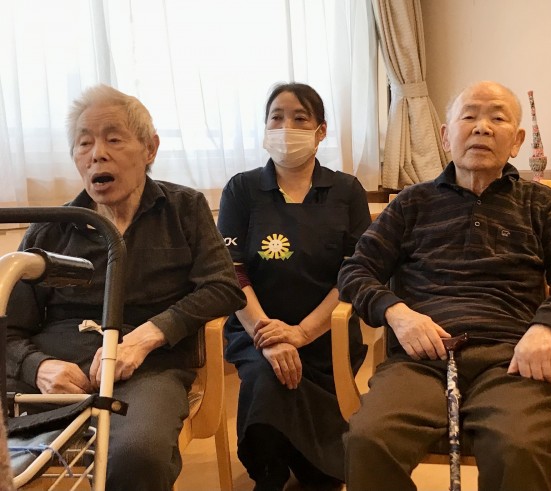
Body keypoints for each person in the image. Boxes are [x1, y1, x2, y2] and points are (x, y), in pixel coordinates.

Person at [337, 80, 551, 491]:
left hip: (513, 357)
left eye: (497, 118)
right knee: (369, 440)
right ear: (446, 136)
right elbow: (355, 271)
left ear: (517, 141)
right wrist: (397, 313)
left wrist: (547, 326)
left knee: (517, 447)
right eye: (469, 115)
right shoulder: (411, 203)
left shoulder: (540, 203)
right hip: (422, 357)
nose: (482, 127)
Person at [5, 84, 246, 491]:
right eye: (84, 143)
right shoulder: (51, 227)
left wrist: (145, 337)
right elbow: (9, 328)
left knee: (138, 453)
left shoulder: (184, 208)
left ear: (150, 149)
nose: (97, 153)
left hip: (148, 369)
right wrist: (38, 367)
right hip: (54, 366)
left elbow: (224, 287)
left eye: (114, 139)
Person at [218, 82, 370, 491]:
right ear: (265, 128)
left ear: (321, 131)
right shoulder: (242, 189)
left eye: (299, 118)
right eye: (276, 118)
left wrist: (302, 333)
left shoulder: (346, 191)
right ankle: (268, 471)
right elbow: (231, 271)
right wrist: (267, 335)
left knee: (323, 476)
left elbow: (355, 272)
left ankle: (310, 461)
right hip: (257, 331)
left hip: (327, 334)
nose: (286, 127)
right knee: (268, 377)